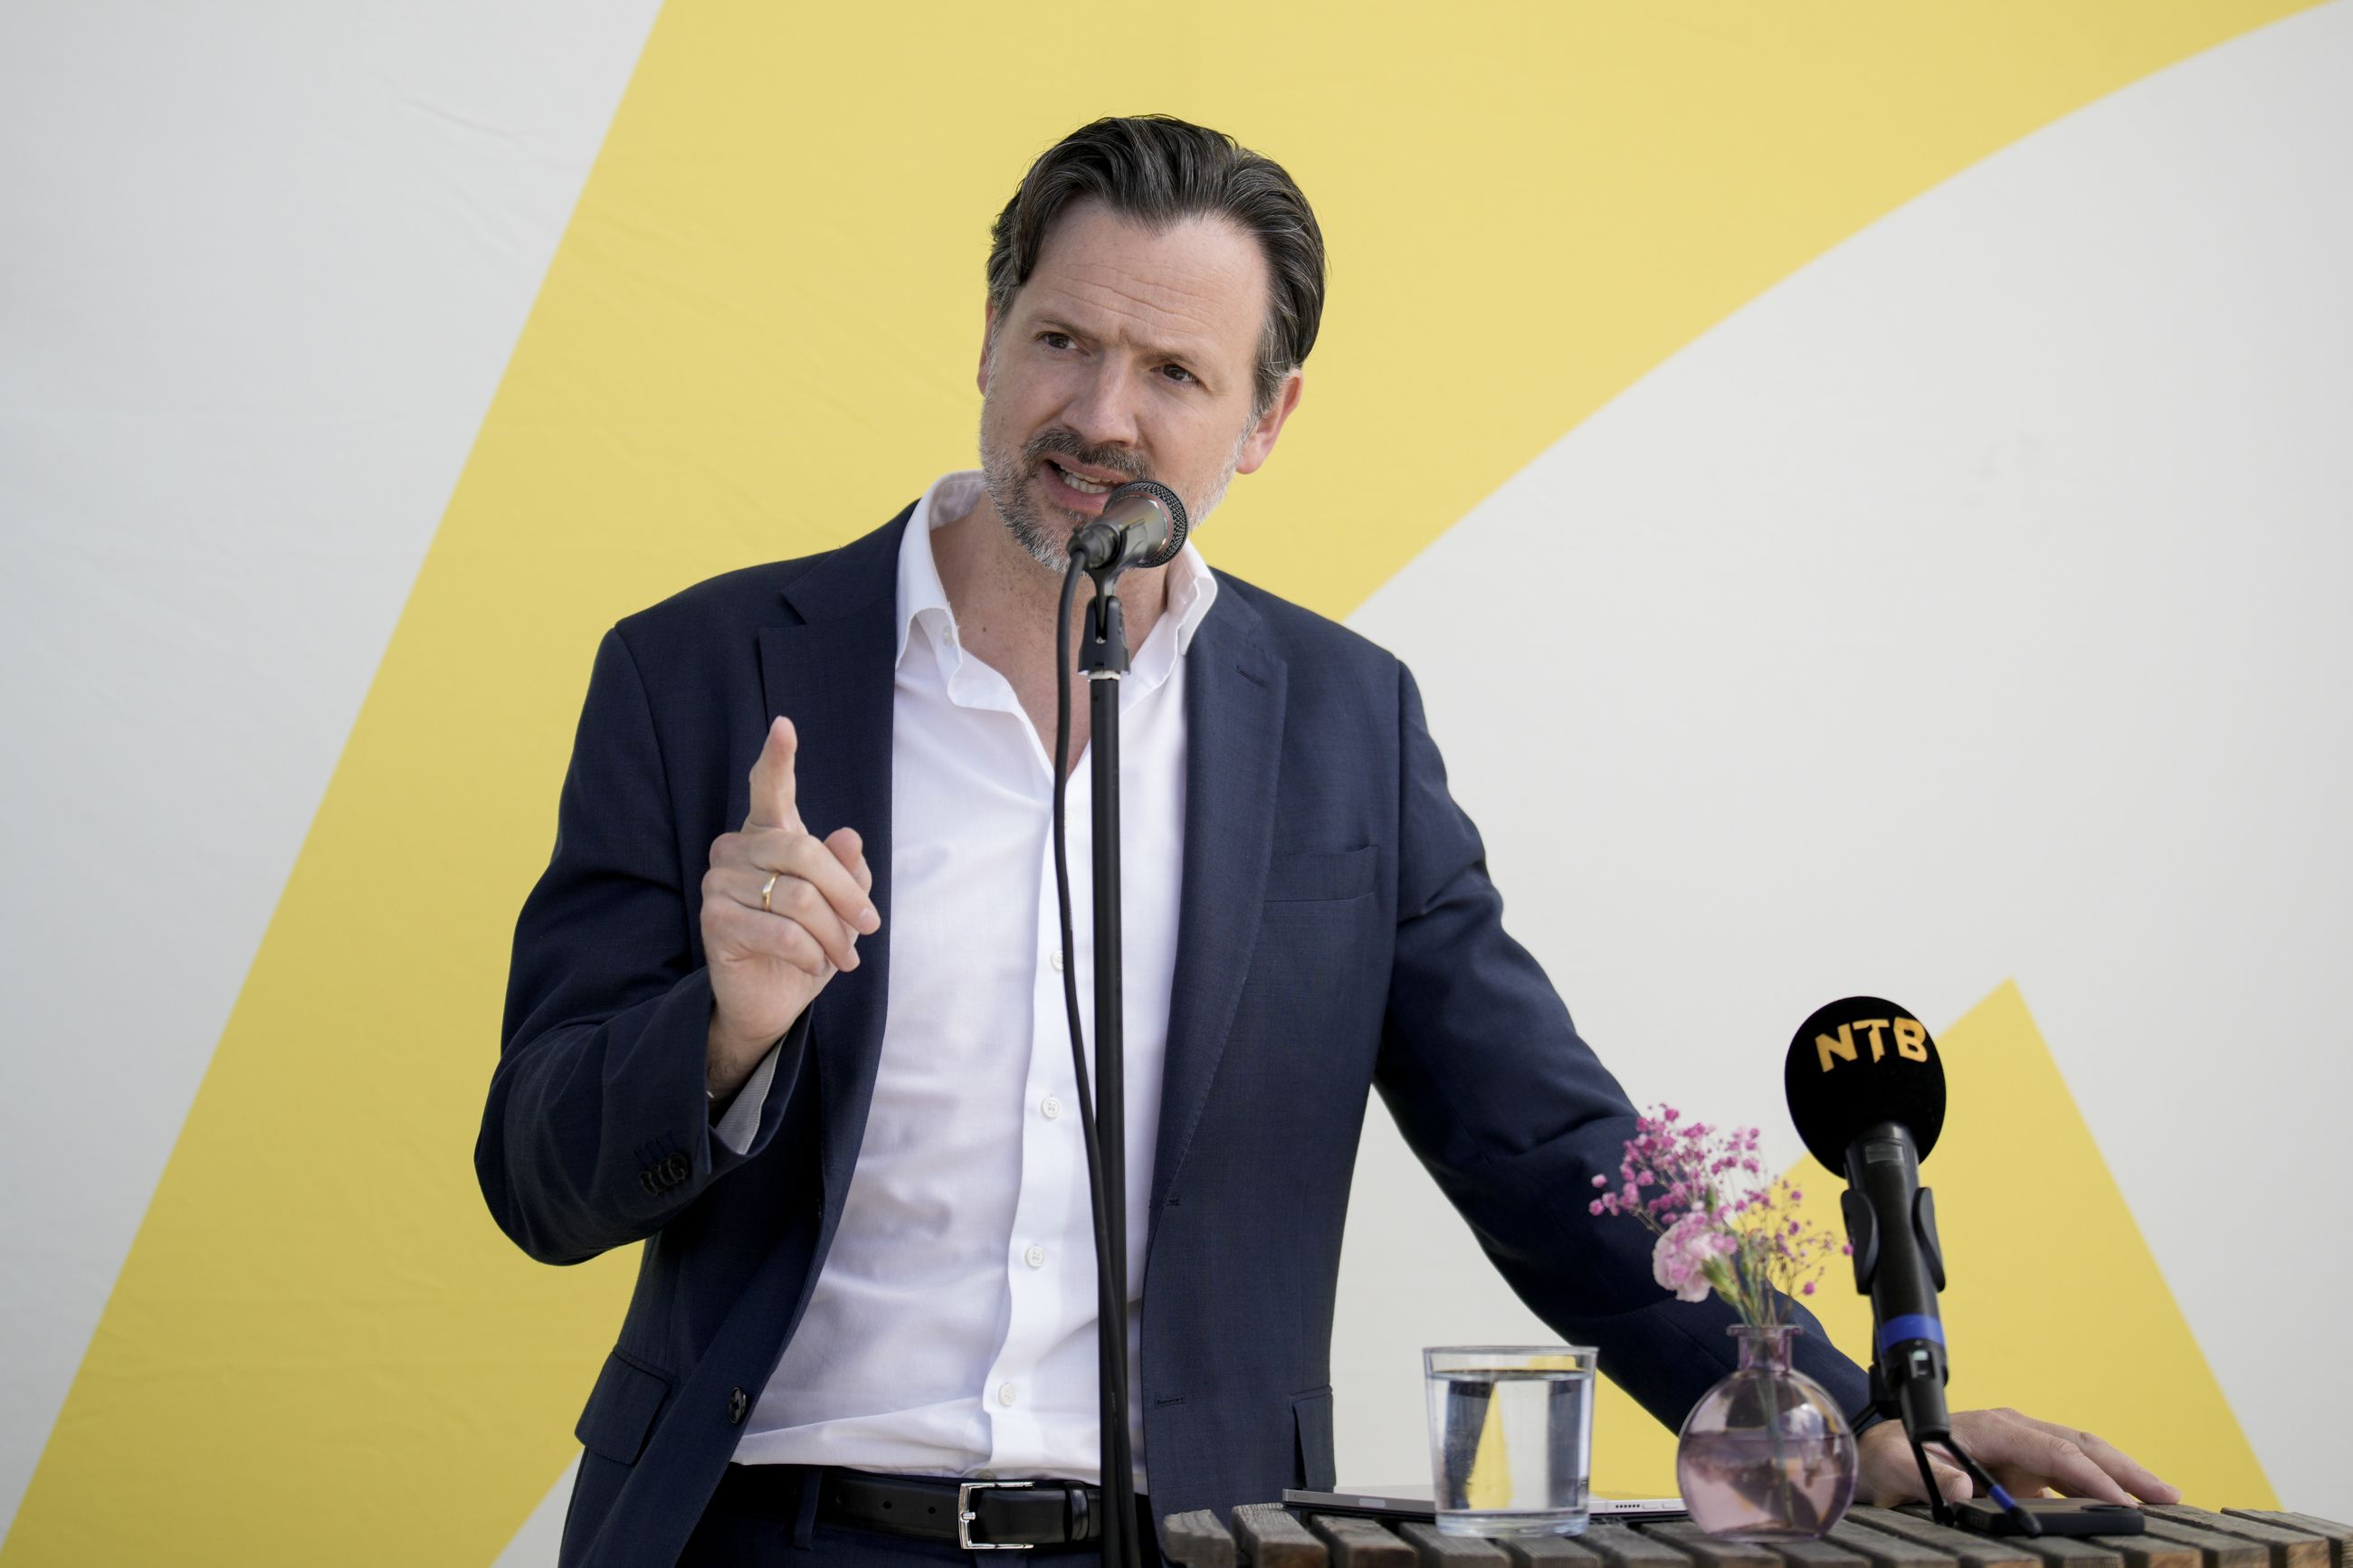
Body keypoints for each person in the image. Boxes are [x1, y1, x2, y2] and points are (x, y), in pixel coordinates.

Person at [476, 116, 2176, 1568]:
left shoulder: (1344, 727)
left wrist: (1844, 1411)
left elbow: (1545, 1144)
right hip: (762, 1528)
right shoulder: (700, 675)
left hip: (1200, 1540)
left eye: (1176, 373)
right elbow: (534, 1177)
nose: (1103, 414)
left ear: (1267, 418)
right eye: (1063, 339)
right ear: (989, 332)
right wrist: (719, 1033)